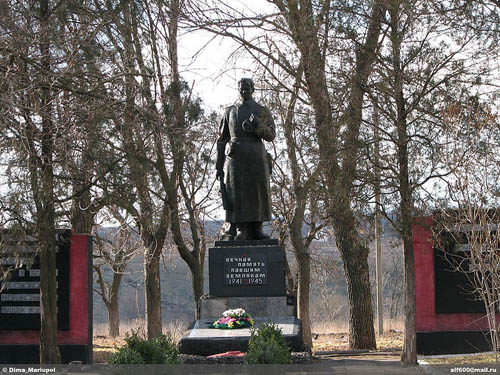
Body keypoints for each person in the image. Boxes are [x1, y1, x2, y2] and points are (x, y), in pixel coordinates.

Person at [216, 78, 275, 241]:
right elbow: (221, 140)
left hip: (256, 156)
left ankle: (257, 228)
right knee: (238, 192)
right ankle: (241, 228)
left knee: (257, 192)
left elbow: (271, 136)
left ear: (253, 89)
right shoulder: (229, 111)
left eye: (247, 88)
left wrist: (256, 123)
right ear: (238, 89)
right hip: (236, 158)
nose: (244, 91)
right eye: (241, 89)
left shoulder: (262, 111)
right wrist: (218, 165)